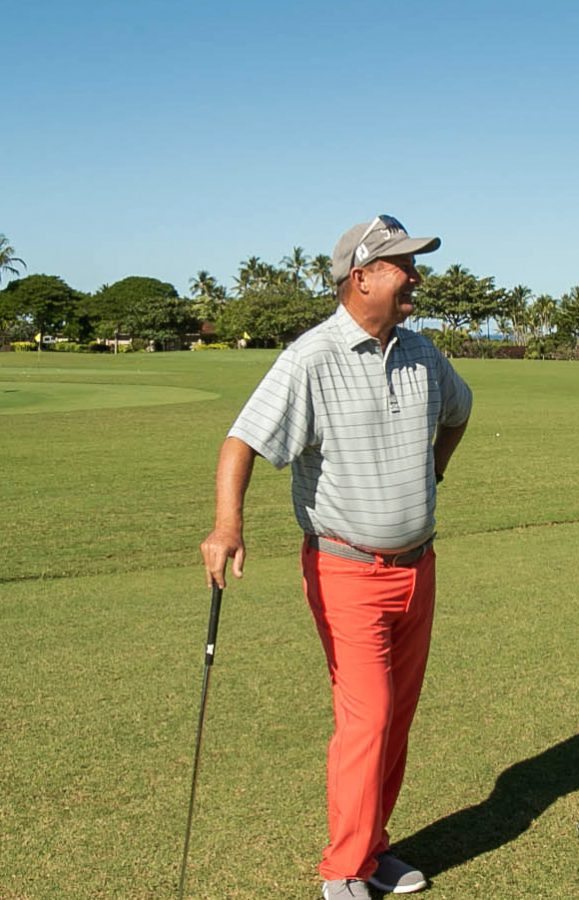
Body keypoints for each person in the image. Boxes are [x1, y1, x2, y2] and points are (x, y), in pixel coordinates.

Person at [200, 215, 472, 900]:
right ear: (362, 278)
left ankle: (373, 847)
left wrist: (430, 475)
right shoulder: (310, 358)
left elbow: (459, 412)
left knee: (396, 718)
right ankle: (343, 869)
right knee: (369, 717)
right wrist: (226, 526)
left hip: (419, 566)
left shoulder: (422, 351)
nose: (415, 278)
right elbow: (241, 443)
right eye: (401, 266)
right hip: (345, 569)